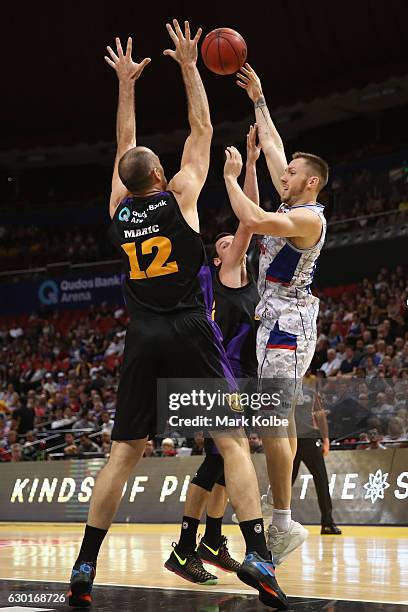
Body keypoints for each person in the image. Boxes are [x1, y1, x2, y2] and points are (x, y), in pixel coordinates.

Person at [68, 23, 287, 611]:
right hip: (191, 330)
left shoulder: (118, 212)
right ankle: (258, 554)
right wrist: (191, 66)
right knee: (233, 443)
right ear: (161, 180)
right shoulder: (182, 193)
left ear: (126, 185)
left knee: (124, 453)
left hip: (141, 336)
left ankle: (85, 565)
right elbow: (202, 129)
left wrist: (126, 87)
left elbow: (124, 152)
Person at [223, 62, 329, 565]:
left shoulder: (306, 219)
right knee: (275, 422)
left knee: (274, 421)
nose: (280, 174)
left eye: (289, 174)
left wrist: (228, 178)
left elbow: (253, 217)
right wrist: (260, 100)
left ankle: (284, 521)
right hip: (277, 323)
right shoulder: (297, 203)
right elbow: (273, 148)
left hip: (288, 325)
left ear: (309, 184)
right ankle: (281, 513)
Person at [166, 124, 261, 581]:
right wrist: (245, 169)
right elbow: (247, 220)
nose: (230, 243)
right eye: (222, 245)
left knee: (226, 460)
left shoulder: (245, 280)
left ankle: (210, 540)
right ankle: (188, 545)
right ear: (219, 259)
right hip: (222, 378)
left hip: (237, 378)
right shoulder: (226, 277)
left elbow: (251, 222)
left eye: (232, 242)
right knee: (219, 459)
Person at [292, 384, 342, 535]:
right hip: (290, 440)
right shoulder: (282, 390)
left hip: (309, 439)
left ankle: (327, 523)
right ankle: (277, 523)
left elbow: (320, 415)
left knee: (321, 480)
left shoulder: (310, 392)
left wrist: (326, 439)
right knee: (285, 483)